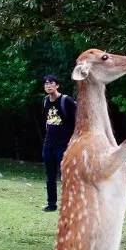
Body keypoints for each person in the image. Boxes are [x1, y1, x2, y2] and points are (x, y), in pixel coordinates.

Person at [40, 74, 76, 211]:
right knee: (50, 175)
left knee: (66, 176)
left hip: (64, 144)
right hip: (49, 144)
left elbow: (77, 120)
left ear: (57, 85)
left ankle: (69, 205)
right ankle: (51, 204)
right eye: (46, 84)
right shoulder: (45, 101)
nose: (48, 86)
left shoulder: (66, 101)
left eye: (51, 83)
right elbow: (46, 120)